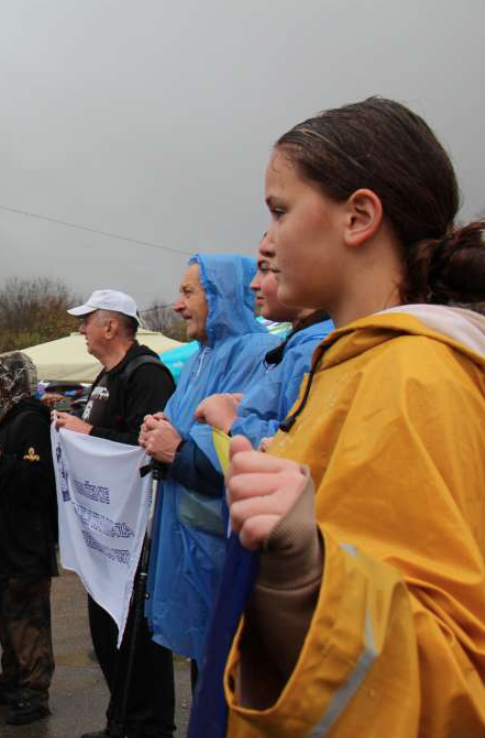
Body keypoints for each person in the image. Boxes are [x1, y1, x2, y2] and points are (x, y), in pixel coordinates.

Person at [219, 98, 485, 736]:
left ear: (359, 217)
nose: (265, 242)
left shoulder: (417, 375)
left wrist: (305, 574)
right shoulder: (352, 364)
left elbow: (455, 683)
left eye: (280, 211)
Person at [137, 255, 278, 681]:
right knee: (208, 671)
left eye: (188, 292)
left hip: (221, 548)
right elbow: (181, 428)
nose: (178, 306)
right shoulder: (201, 358)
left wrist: (175, 449)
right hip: (190, 542)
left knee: (232, 678)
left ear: (222, 295)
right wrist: (159, 427)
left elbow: (239, 451)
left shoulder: (257, 354)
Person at [53, 289, 177, 738]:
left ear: (111, 326)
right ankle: (119, 720)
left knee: (136, 637)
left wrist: (87, 431)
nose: (81, 328)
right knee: (107, 633)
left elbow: (149, 448)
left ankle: (147, 726)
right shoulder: (105, 376)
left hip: (135, 535)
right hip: (106, 535)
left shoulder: (147, 375)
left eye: (87, 320)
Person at [0, 351, 57, 726]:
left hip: (25, 540)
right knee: (4, 616)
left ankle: (34, 691)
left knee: (28, 620)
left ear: (13, 380)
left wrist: (0, 462)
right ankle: (11, 679)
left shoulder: (31, 420)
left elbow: (40, 481)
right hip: (1, 538)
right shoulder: (2, 418)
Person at [192, 234, 333, 446]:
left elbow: (306, 450)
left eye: (267, 268)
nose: (253, 284)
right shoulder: (299, 345)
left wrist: (233, 423)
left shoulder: (313, 350)